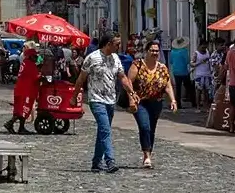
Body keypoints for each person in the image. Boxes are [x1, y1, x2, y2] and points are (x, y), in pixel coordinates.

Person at [76, 31, 136, 173]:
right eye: (117, 44)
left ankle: (96, 162)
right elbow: (81, 79)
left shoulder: (115, 58)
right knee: (105, 130)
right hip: (96, 99)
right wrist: (74, 97)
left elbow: (122, 78)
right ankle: (110, 161)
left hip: (110, 100)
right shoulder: (92, 58)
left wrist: (131, 93)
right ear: (109, 44)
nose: (119, 46)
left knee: (103, 131)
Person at [129, 39, 177, 169]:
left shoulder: (162, 68)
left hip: (156, 102)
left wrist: (172, 100)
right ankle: (146, 155)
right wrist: (131, 99)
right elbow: (129, 83)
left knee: (152, 129)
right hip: (140, 102)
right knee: (144, 126)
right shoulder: (137, 65)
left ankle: (148, 152)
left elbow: (167, 85)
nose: (155, 53)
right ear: (146, 51)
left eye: (157, 51)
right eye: (152, 50)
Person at [4, 42, 42, 135]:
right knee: (22, 109)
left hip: (20, 89)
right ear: (31, 56)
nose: (36, 58)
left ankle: (21, 127)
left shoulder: (25, 63)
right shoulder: (30, 65)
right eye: (34, 56)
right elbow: (35, 77)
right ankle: (10, 123)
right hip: (25, 91)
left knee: (20, 109)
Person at [168, 36, 191, 109]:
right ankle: (193, 101)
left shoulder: (172, 52)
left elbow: (171, 61)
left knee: (178, 88)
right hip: (184, 71)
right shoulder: (184, 51)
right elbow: (187, 61)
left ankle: (178, 103)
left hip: (175, 71)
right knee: (188, 86)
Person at [193, 41, 213, 109]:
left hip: (207, 74)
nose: (204, 48)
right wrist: (200, 63)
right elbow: (192, 63)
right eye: (203, 47)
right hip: (199, 75)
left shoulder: (208, 52)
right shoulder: (196, 53)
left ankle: (206, 105)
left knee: (207, 91)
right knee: (198, 91)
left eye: (205, 47)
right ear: (200, 46)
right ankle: (198, 106)